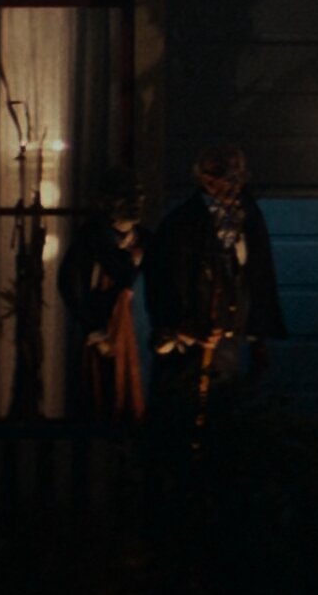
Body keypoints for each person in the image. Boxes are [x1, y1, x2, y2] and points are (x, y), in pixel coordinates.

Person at [145, 144, 286, 420]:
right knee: (183, 412)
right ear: (205, 179)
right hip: (188, 348)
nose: (234, 186)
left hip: (228, 346)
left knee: (221, 411)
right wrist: (179, 326)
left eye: (239, 177)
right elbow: (161, 280)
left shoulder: (248, 218)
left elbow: (258, 276)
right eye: (225, 177)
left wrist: (257, 336)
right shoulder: (180, 225)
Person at [56, 191, 149, 422]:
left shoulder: (144, 239)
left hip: (135, 326)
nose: (135, 204)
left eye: (137, 197)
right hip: (106, 325)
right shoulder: (92, 240)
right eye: (127, 198)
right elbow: (69, 284)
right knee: (104, 390)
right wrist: (93, 328)